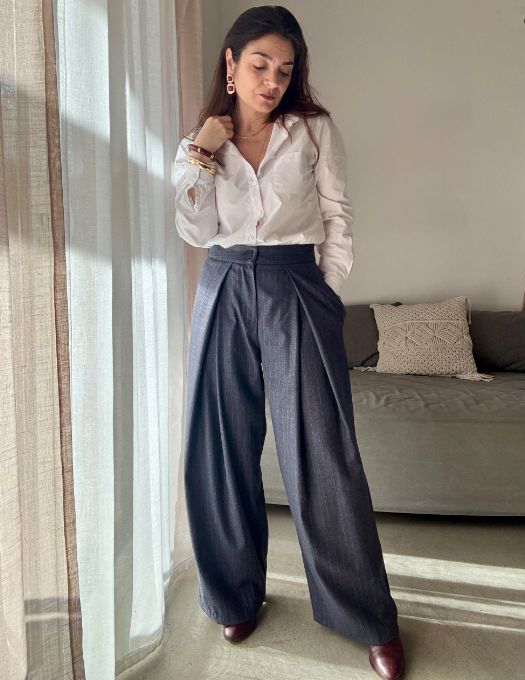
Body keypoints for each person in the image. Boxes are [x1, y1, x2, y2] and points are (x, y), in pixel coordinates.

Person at [173, 6, 406, 680]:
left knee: (323, 453)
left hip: (294, 284)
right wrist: (201, 154)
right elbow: (193, 230)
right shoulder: (198, 144)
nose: (271, 80)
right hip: (222, 284)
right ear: (230, 63)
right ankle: (234, 596)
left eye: (284, 69)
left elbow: (337, 214)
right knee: (218, 448)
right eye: (259, 65)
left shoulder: (313, 129)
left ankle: (365, 616)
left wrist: (325, 293)